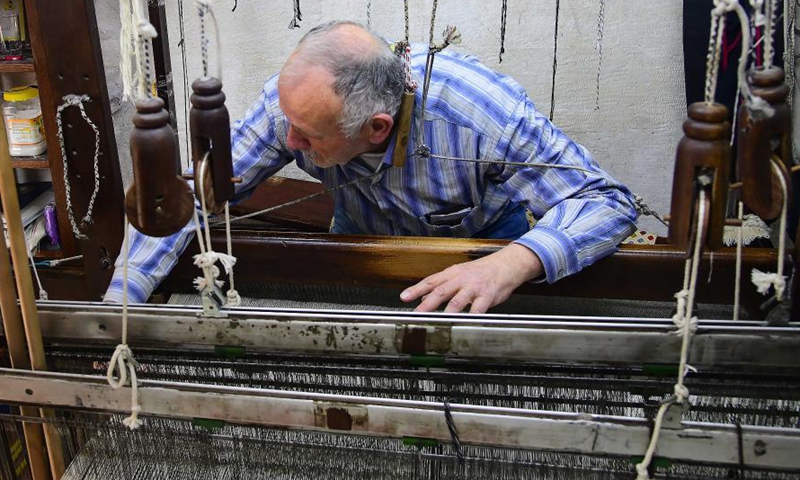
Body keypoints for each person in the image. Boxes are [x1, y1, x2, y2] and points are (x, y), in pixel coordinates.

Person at [104, 20, 638, 313]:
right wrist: (120, 303)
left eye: (307, 137)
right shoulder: (293, 106)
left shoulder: (480, 115)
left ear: (377, 128)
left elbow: (606, 202)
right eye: (289, 125)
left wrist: (510, 264)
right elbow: (193, 198)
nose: (287, 142)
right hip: (360, 251)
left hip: (482, 253)